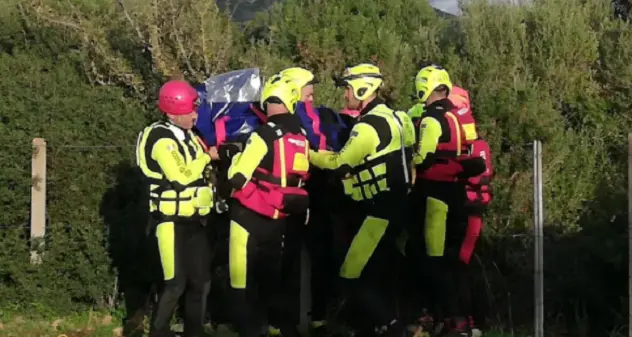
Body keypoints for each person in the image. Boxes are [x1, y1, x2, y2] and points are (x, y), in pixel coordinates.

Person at [309, 63, 415, 337]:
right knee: (379, 273)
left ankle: (394, 328)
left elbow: (339, 162)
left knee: (350, 274)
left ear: (361, 88)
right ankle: (376, 327)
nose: (345, 96)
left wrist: (308, 153)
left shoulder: (367, 126)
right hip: (400, 205)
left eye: (347, 89)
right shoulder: (399, 117)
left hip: (378, 210)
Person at [226, 73, 310, 337]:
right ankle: (270, 327)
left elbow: (236, 177)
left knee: (241, 283)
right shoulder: (301, 136)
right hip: (279, 217)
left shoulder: (263, 134)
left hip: (249, 216)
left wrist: (233, 156)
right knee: (268, 280)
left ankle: (248, 330)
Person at [407, 64, 486, 337]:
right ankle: (458, 320)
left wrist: (407, 161)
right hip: (456, 193)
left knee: (432, 259)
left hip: (433, 193)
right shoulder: (457, 119)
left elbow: (423, 156)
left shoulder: (430, 119)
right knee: (451, 261)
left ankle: (448, 318)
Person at [135, 79, 216, 337]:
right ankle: (158, 332)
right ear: (173, 111)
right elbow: (181, 177)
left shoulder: (189, 135)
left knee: (201, 282)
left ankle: (194, 331)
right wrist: (207, 156)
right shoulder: (159, 138)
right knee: (175, 283)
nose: (195, 114)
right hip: (170, 221)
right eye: (191, 110)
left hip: (195, 220)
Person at [277, 66, 351, 337]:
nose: (313, 92)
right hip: (301, 197)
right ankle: (299, 318)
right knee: (298, 258)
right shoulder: (295, 118)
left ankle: (311, 317)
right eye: (309, 87)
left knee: (316, 256)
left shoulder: (317, 116)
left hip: (316, 197)